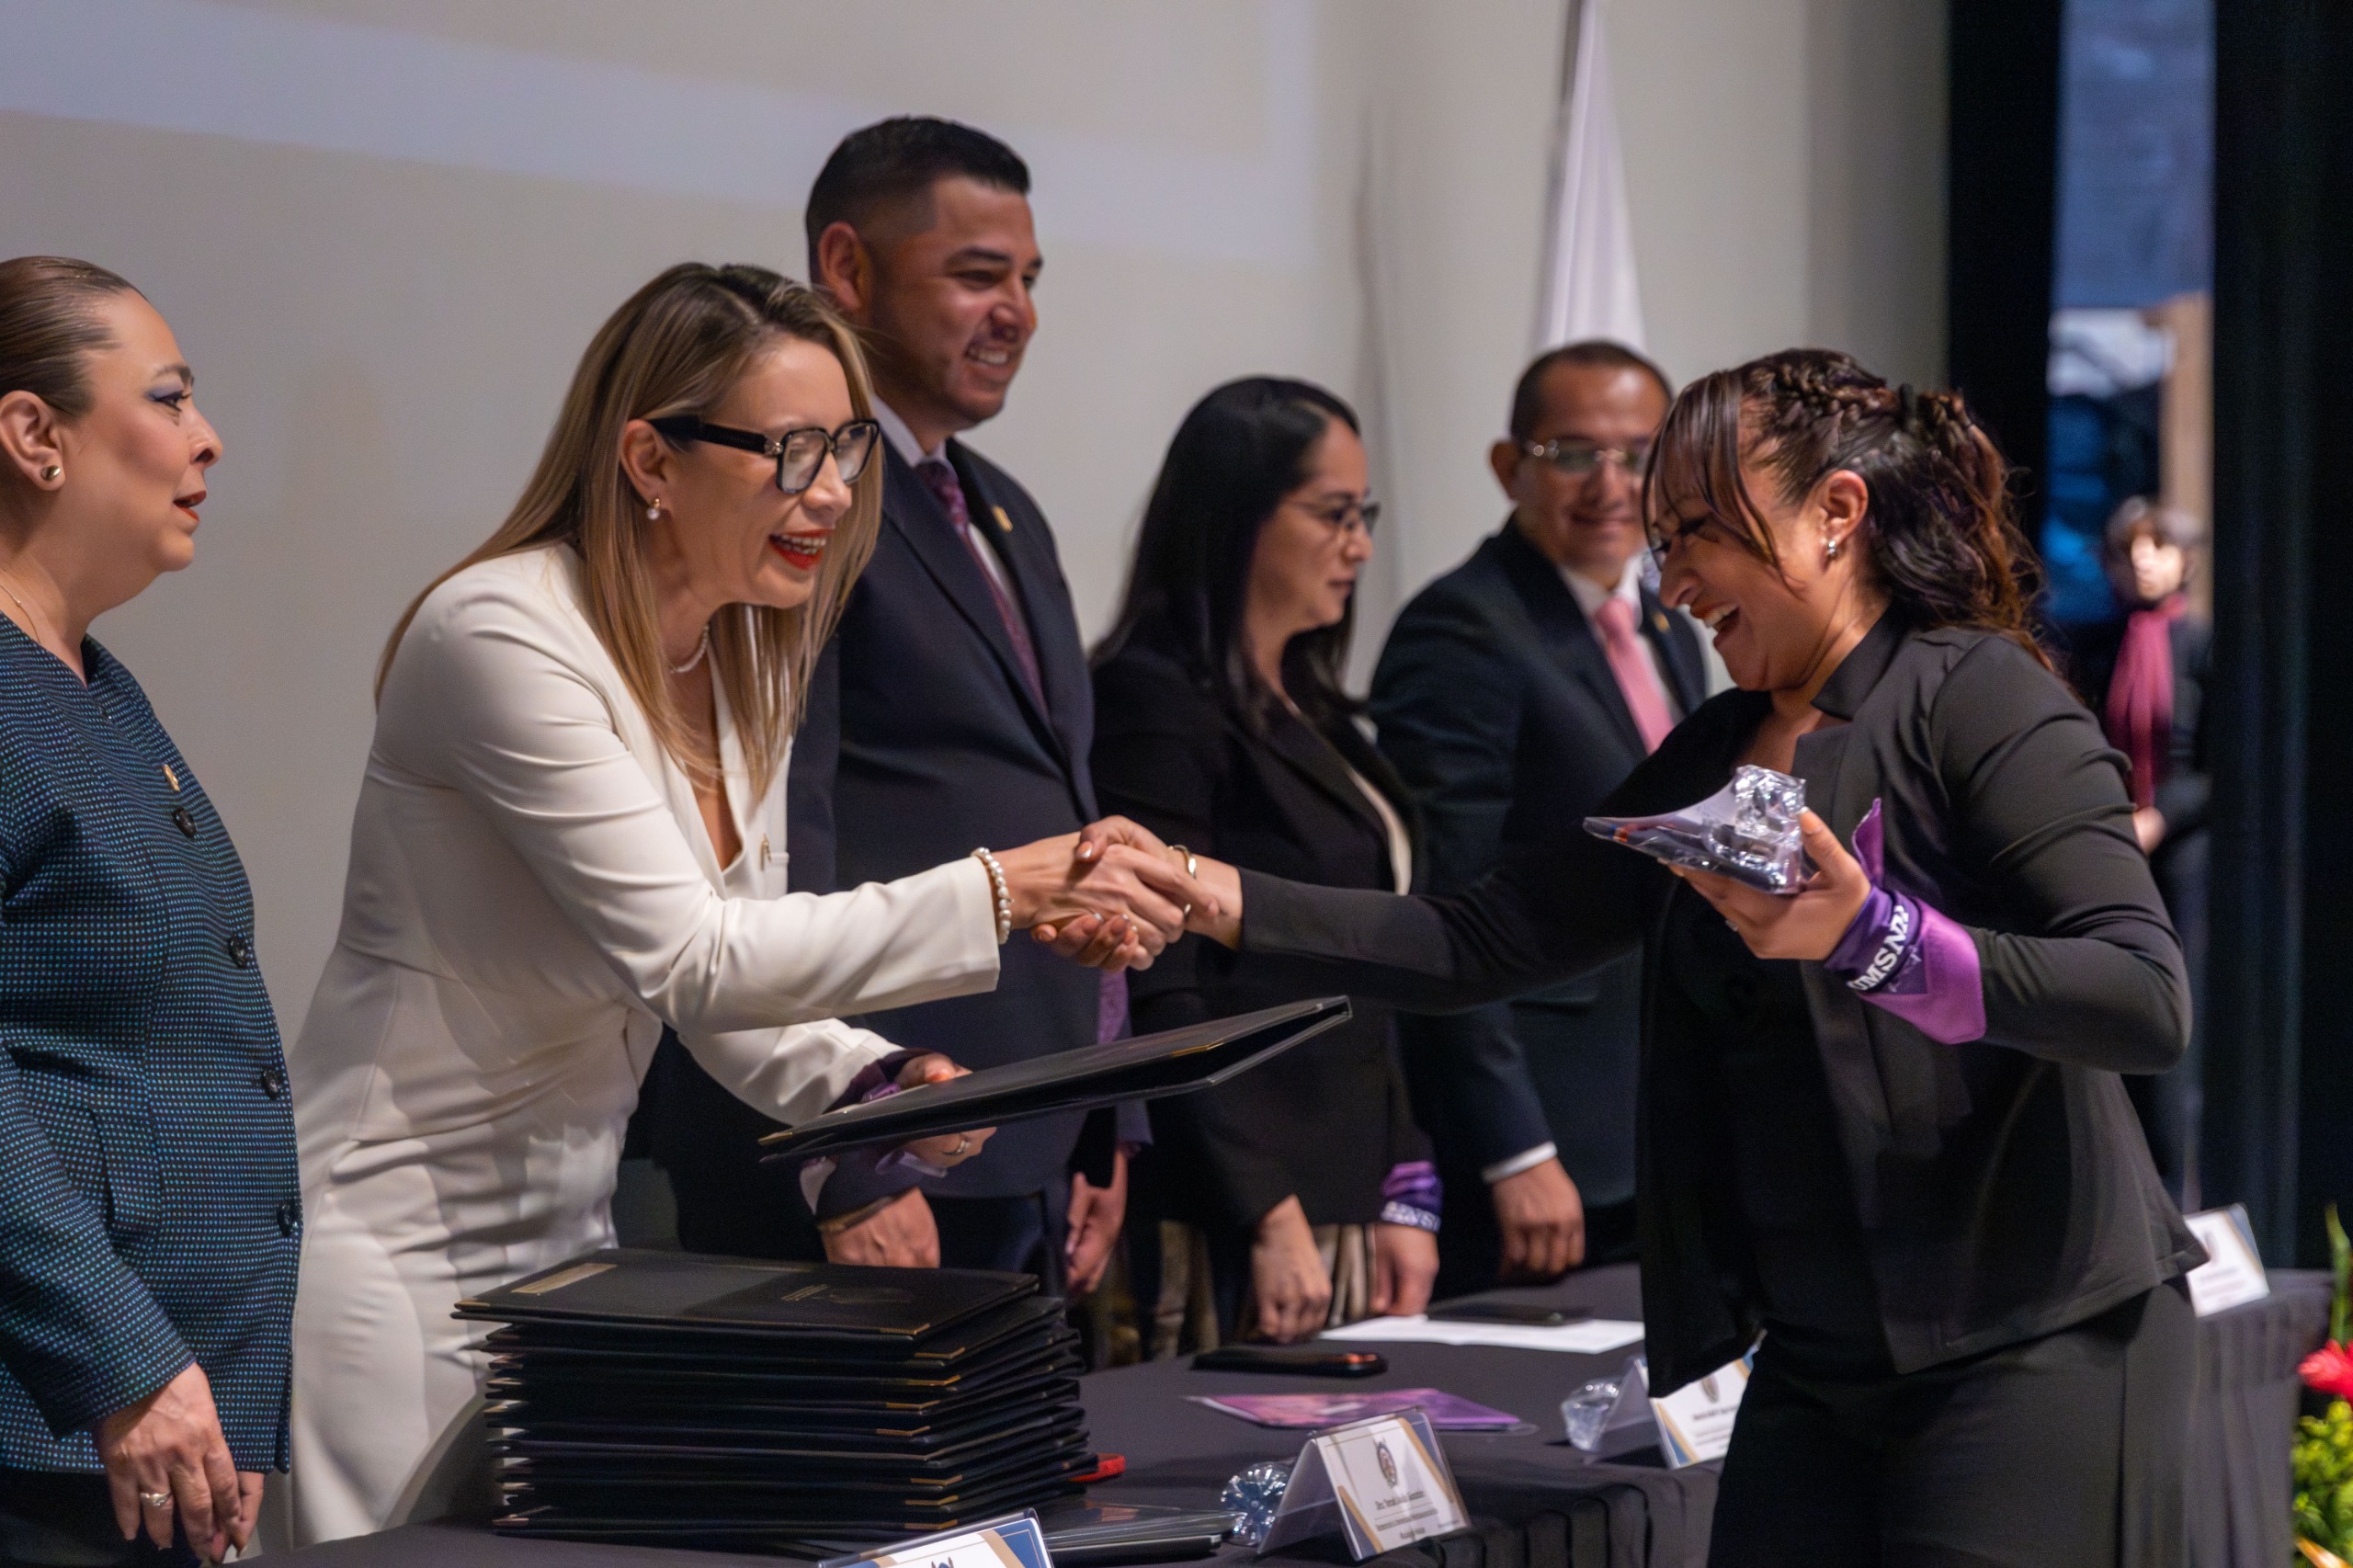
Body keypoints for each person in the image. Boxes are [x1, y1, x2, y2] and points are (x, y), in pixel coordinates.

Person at [1095, 350, 2201, 1564]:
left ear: (1836, 512)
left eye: (1698, 536)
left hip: (2027, 1342)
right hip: (1819, 1360)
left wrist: (1877, 937)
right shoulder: (1719, 744)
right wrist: (1200, 888)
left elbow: (2143, 996)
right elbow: (1475, 937)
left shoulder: (1981, 695)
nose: (1670, 585)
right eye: (1664, 544)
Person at [281, 263, 1198, 1544]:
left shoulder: (738, 655)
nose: (833, 491)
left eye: (847, 448)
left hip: (570, 1251)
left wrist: (879, 1087)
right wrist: (1004, 887)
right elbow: (697, 959)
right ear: (650, 460)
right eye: (791, 451)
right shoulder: (499, 632)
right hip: (392, 1253)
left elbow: (736, 999)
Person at [645, 118, 1140, 1292]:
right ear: (848, 268)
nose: (1016, 312)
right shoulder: (790, 513)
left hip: (1022, 1127)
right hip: (883, 1134)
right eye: (976, 275)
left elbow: (1065, 802)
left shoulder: (1002, 506)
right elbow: (780, 832)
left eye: (1027, 280)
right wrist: (851, 1154)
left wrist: (1104, 1110)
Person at [0, 256, 288, 1565]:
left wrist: (224, 1384)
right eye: (167, 398)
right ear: (34, 435)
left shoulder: (98, 685)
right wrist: (122, 1360)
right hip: (48, 1425)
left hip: (154, 1428)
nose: (206, 436)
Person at [1092, 378, 1438, 1348]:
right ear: (1236, 516)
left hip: (1341, 1193)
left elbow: (1375, 973)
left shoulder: (1312, 705)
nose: (1359, 546)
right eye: (1333, 514)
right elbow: (1159, 985)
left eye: (1364, 515)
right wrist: (1265, 1210)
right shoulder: (1150, 701)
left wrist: (1404, 1184)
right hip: (1229, 1212)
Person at [1371, 342, 1703, 1293]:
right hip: (1544, 1146)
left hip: (1656, 1125)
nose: (1611, 485)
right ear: (1508, 466)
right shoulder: (1462, 629)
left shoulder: (1670, 624)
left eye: (1638, 455)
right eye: (1574, 453)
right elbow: (1448, 904)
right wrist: (1514, 1146)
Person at [2065, 496, 2211, 1202]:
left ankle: (2177, 1196)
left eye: (2158, 547)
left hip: (2182, 851)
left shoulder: (2203, 644)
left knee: (2177, 1016)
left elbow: (2221, 762)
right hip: (2113, 842)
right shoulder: (2100, 645)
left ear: (2185, 558)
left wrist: (2159, 818)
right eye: (2130, 550)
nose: (2144, 562)